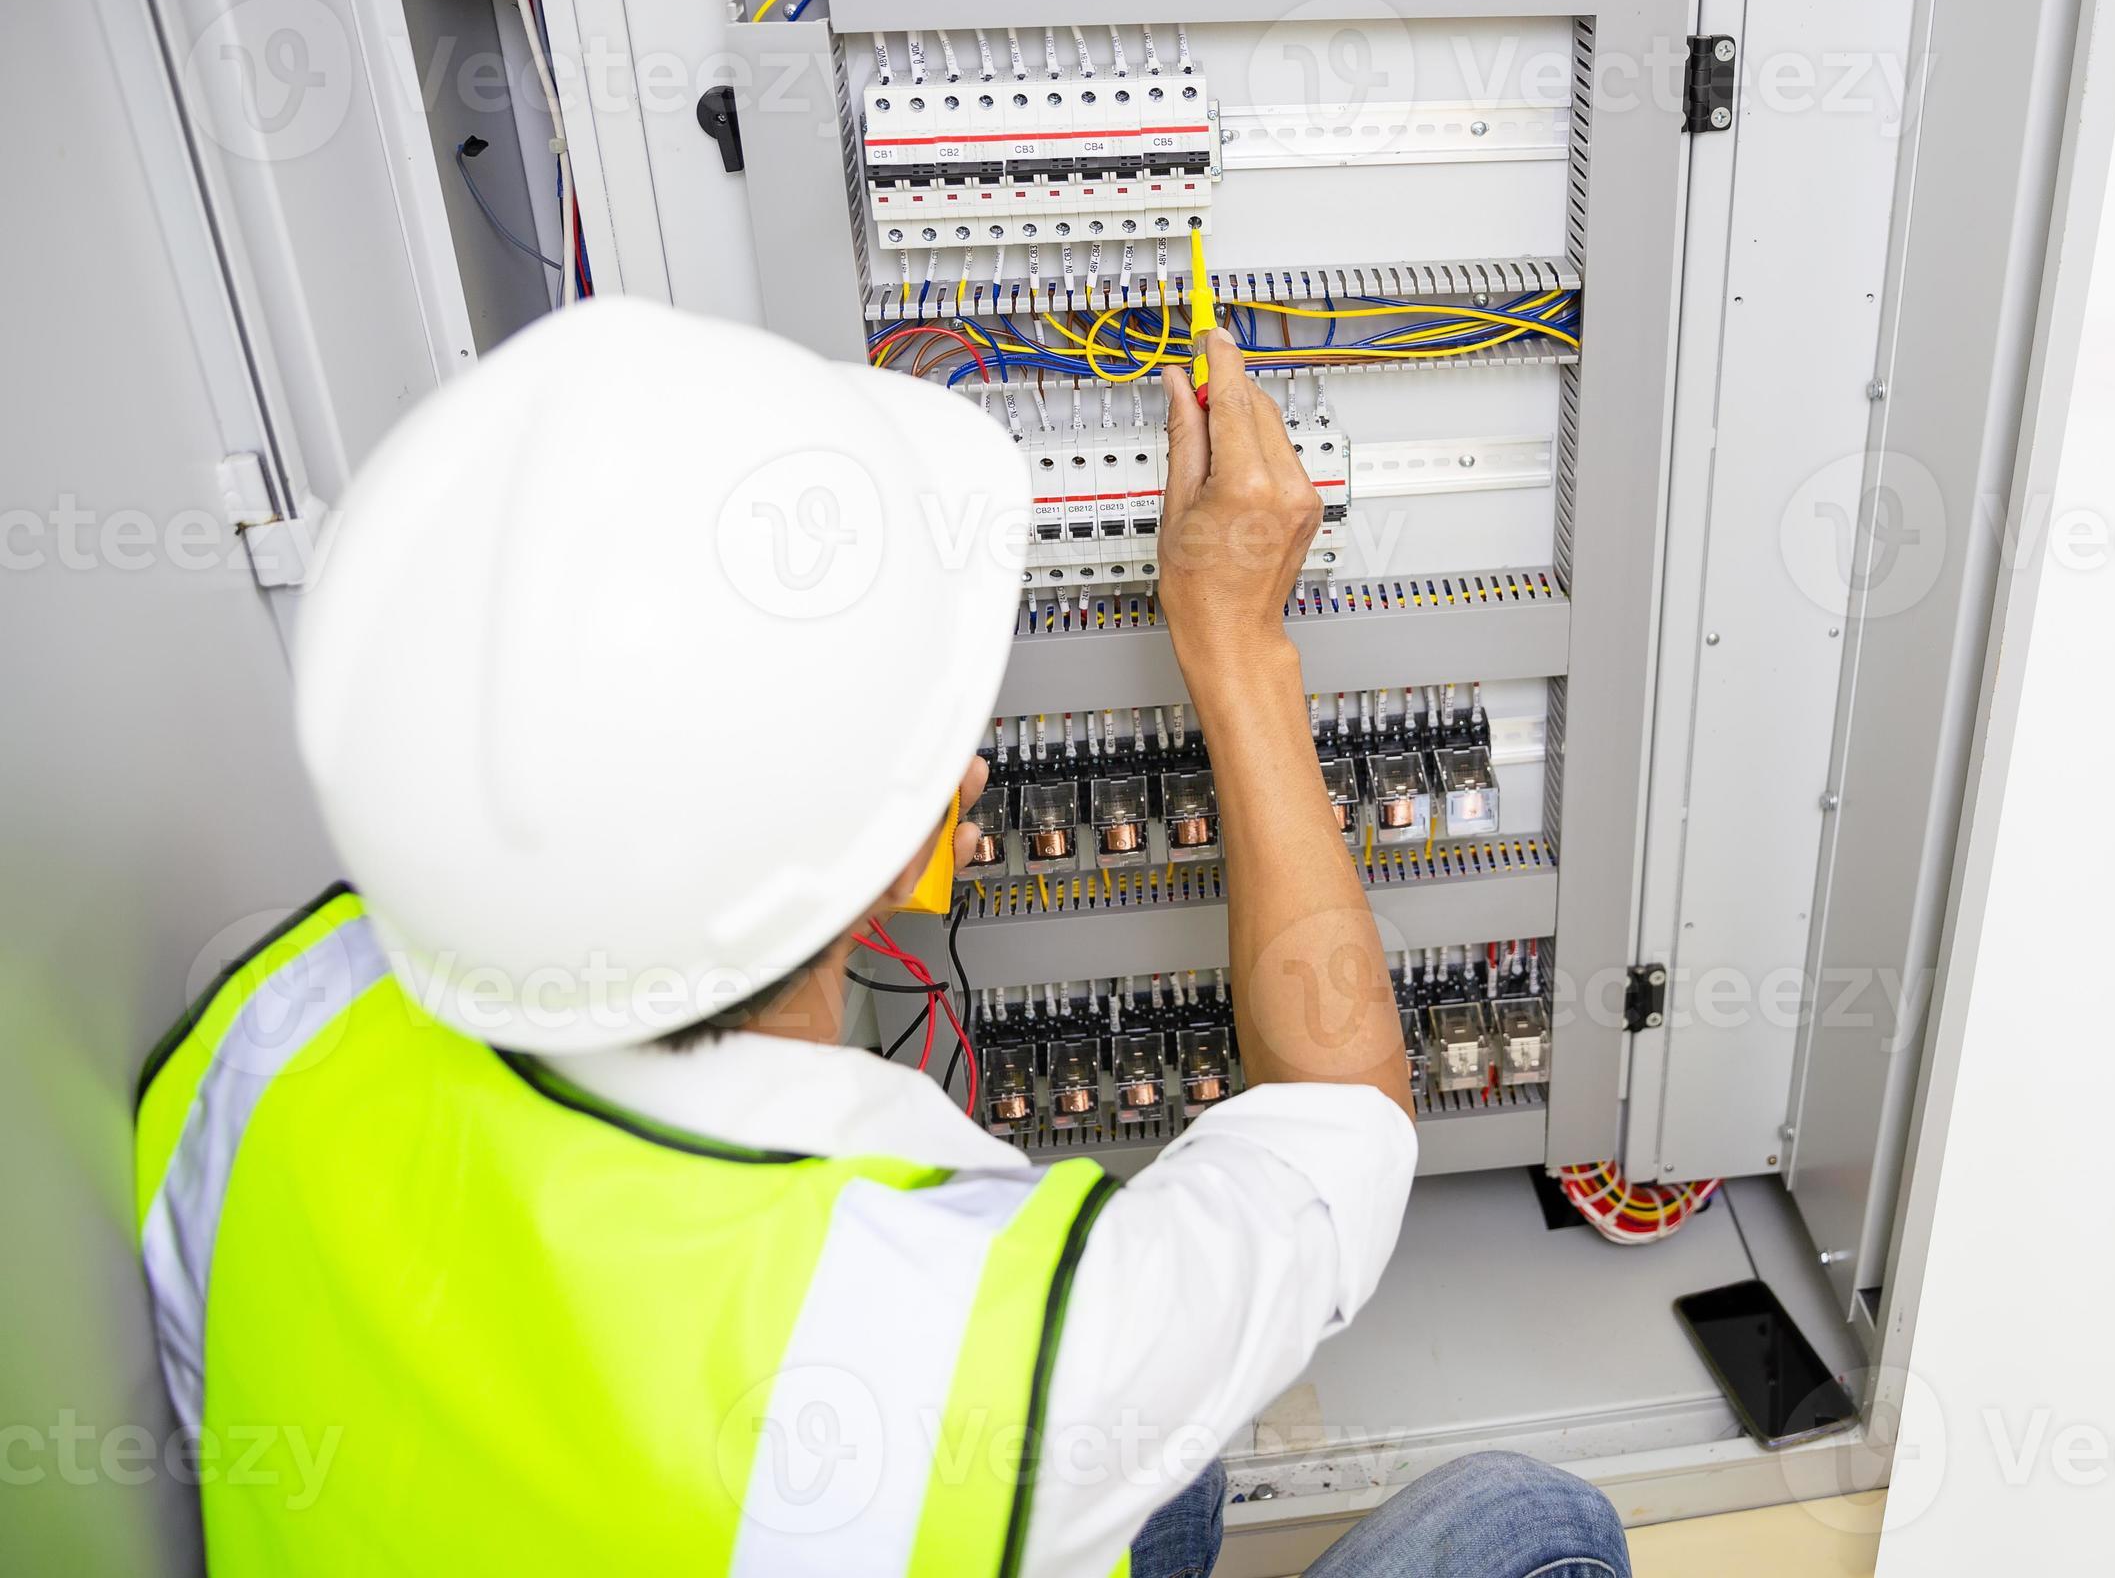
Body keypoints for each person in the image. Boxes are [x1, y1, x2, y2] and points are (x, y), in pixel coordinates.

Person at [131, 299, 1629, 1577]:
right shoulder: (958, 1337)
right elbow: (1344, 1127)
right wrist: (1239, 640)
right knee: (1531, 1525)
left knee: (1159, 1469)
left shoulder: (256, 1032)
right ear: (921, 843)